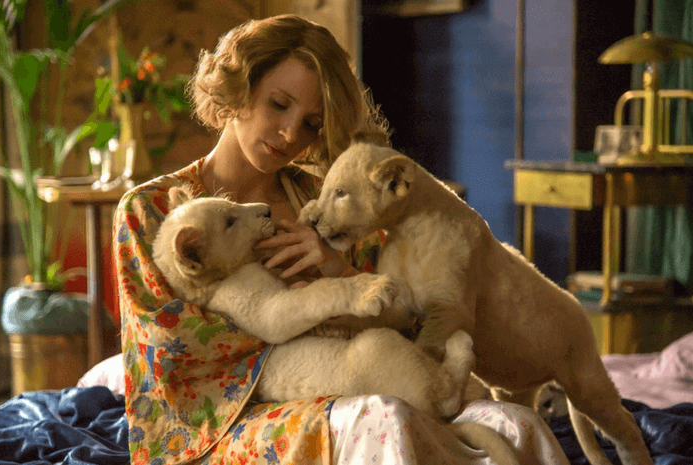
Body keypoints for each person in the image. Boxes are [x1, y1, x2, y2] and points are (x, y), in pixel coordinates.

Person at [113, 14, 569, 465]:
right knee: (382, 418)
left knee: (517, 423)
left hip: (374, 380)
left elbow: (409, 321)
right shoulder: (148, 212)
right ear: (239, 88)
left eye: (311, 124)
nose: (291, 134)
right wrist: (311, 313)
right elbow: (172, 350)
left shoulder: (328, 201)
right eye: (278, 104)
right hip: (227, 423)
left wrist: (340, 273)